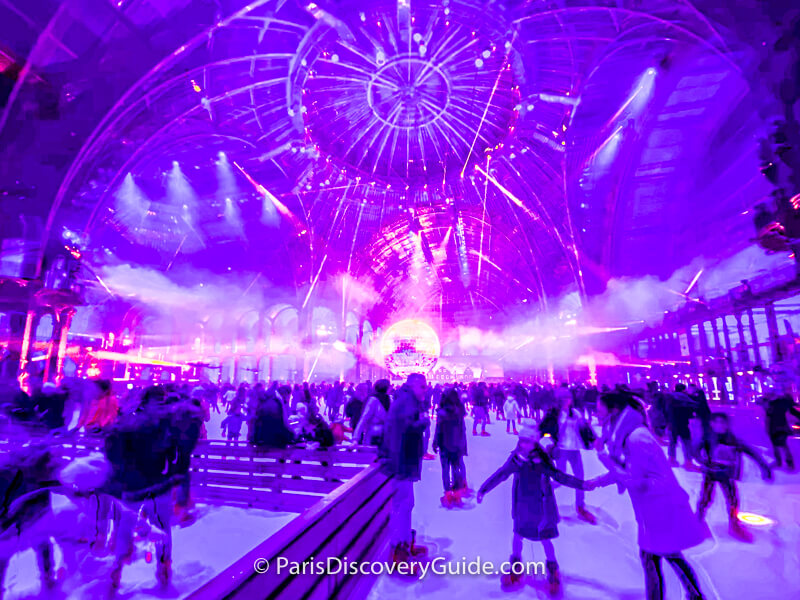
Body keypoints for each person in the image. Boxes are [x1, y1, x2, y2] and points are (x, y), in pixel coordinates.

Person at [594, 391, 709, 600]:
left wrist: (603, 457)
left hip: (659, 509)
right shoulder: (628, 435)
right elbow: (630, 471)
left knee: (659, 555)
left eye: (599, 406)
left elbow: (635, 480)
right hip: (653, 509)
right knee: (661, 555)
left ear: (613, 410)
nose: (596, 411)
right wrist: (597, 482)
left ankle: (692, 596)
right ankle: (694, 595)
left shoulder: (636, 438)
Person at [477, 424, 597, 594]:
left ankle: (553, 570)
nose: (523, 444)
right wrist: (484, 488)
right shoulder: (516, 460)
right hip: (522, 506)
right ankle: (516, 566)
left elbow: (559, 476)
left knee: (545, 540)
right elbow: (501, 474)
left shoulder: (541, 461)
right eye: (521, 440)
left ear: (534, 442)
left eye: (527, 441)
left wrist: (581, 485)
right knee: (518, 537)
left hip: (541, 507)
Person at [695, 412, 772, 542]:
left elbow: (752, 452)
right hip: (711, 474)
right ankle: (698, 521)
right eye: (717, 422)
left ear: (727, 425)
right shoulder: (708, 438)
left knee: (733, 501)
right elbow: (695, 450)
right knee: (706, 498)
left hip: (727, 475)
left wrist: (764, 467)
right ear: (712, 424)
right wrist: (703, 462)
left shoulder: (733, 440)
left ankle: (734, 524)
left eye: (723, 422)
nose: (720, 425)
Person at [381, 373, 430, 566]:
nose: (426, 390)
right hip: (401, 461)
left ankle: (405, 543)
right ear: (414, 385)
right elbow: (407, 429)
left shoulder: (407, 400)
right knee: (403, 504)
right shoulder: (406, 401)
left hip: (404, 459)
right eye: (423, 387)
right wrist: (424, 422)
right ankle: (398, 549)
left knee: (407, 503)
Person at [540, 390, 598, 524]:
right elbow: (545, 431)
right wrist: (550, 441)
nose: (568, 400)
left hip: (574, 450)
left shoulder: (576, 413)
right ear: (559, 400)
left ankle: (580, 506)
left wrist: (593, 439)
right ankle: (542, 494)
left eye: (569, 398)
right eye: (565, 398)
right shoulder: (553, 414)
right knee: (560, 479)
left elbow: (585, 429)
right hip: (561, 450)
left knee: (579, 478)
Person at [432, 388, 468, 508]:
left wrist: (435, 442)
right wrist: (463, 443)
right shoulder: (459, 411)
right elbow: (463, 429)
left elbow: (438, 430)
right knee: (456, 468)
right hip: (457, 444)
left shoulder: (441, 412)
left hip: (444, 444)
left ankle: (448, 493)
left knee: (445, 469)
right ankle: (457, 493)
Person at [760, 389, 800, 470]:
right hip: (775, 427)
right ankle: (783, 462)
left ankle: (787, 463)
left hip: (778, 427)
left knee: (782, 445)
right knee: (778, 445)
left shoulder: (775, 403)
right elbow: (793, 411)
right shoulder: (772, 403)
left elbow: (792, 410)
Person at [351, 379, 390, 446]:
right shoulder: (390, 399)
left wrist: (355, 439)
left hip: (372, 434)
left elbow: (364, 418)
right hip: (384, 436)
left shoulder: (373, 400)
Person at [667, 384, 697, 468]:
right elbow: (692, 408)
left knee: (672, 443)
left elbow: (666, 410)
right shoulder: (686, 398)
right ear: (683, 390)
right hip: (683, 423)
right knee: (686, 443)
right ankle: (688, 462)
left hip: (673, 423)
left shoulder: (669, 397)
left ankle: (672, 459)